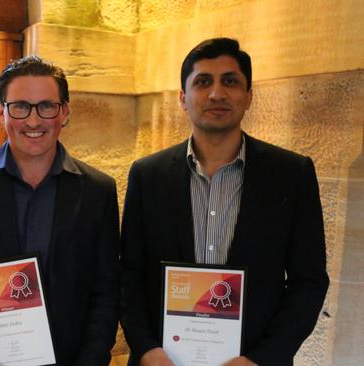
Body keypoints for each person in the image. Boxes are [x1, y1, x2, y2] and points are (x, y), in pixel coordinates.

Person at [120, 38, 329, 366]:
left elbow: (309, 282)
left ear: (248, 96)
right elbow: (129, 274)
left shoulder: (292, 174)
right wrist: (146, 349)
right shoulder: (147, 175)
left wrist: (262, 359)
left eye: (230, 81)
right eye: (203, 82)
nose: (217, 93)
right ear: (183, 99)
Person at [0, 55, 120, 366]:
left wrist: (91, 360)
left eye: (46, 106)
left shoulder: (98, 190)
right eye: (20, 107)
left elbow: (106, 290)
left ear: (64, 111)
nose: (33, 121)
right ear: (1, 111)